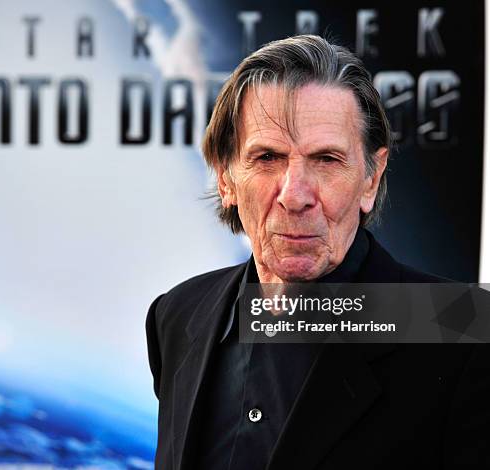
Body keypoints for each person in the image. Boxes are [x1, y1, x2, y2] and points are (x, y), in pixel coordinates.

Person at [146, 35, 490, 469]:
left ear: (371, 178)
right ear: (225, 179)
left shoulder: (469, 335)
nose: (295, 195)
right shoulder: (176, 315)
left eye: (326, 159)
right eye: (267, 157)